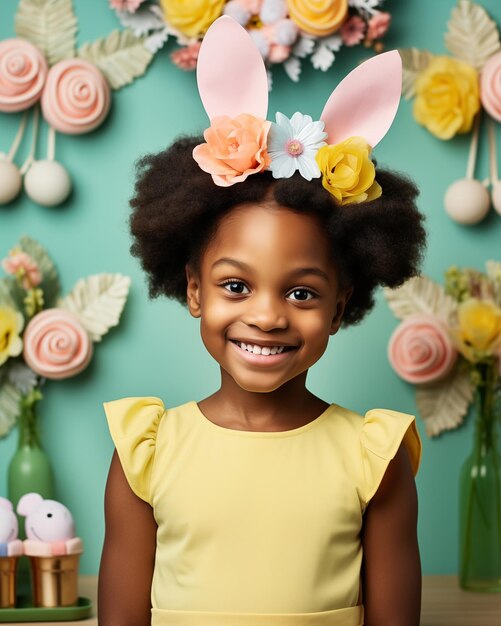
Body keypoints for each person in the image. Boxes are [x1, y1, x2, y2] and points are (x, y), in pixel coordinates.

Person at [98, 17, 426, 626]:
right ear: (194, 290)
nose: (268, 315)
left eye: (301, 292)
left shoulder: (373, 457)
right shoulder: (147, 451)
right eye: (235, 286)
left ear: (340, 305)